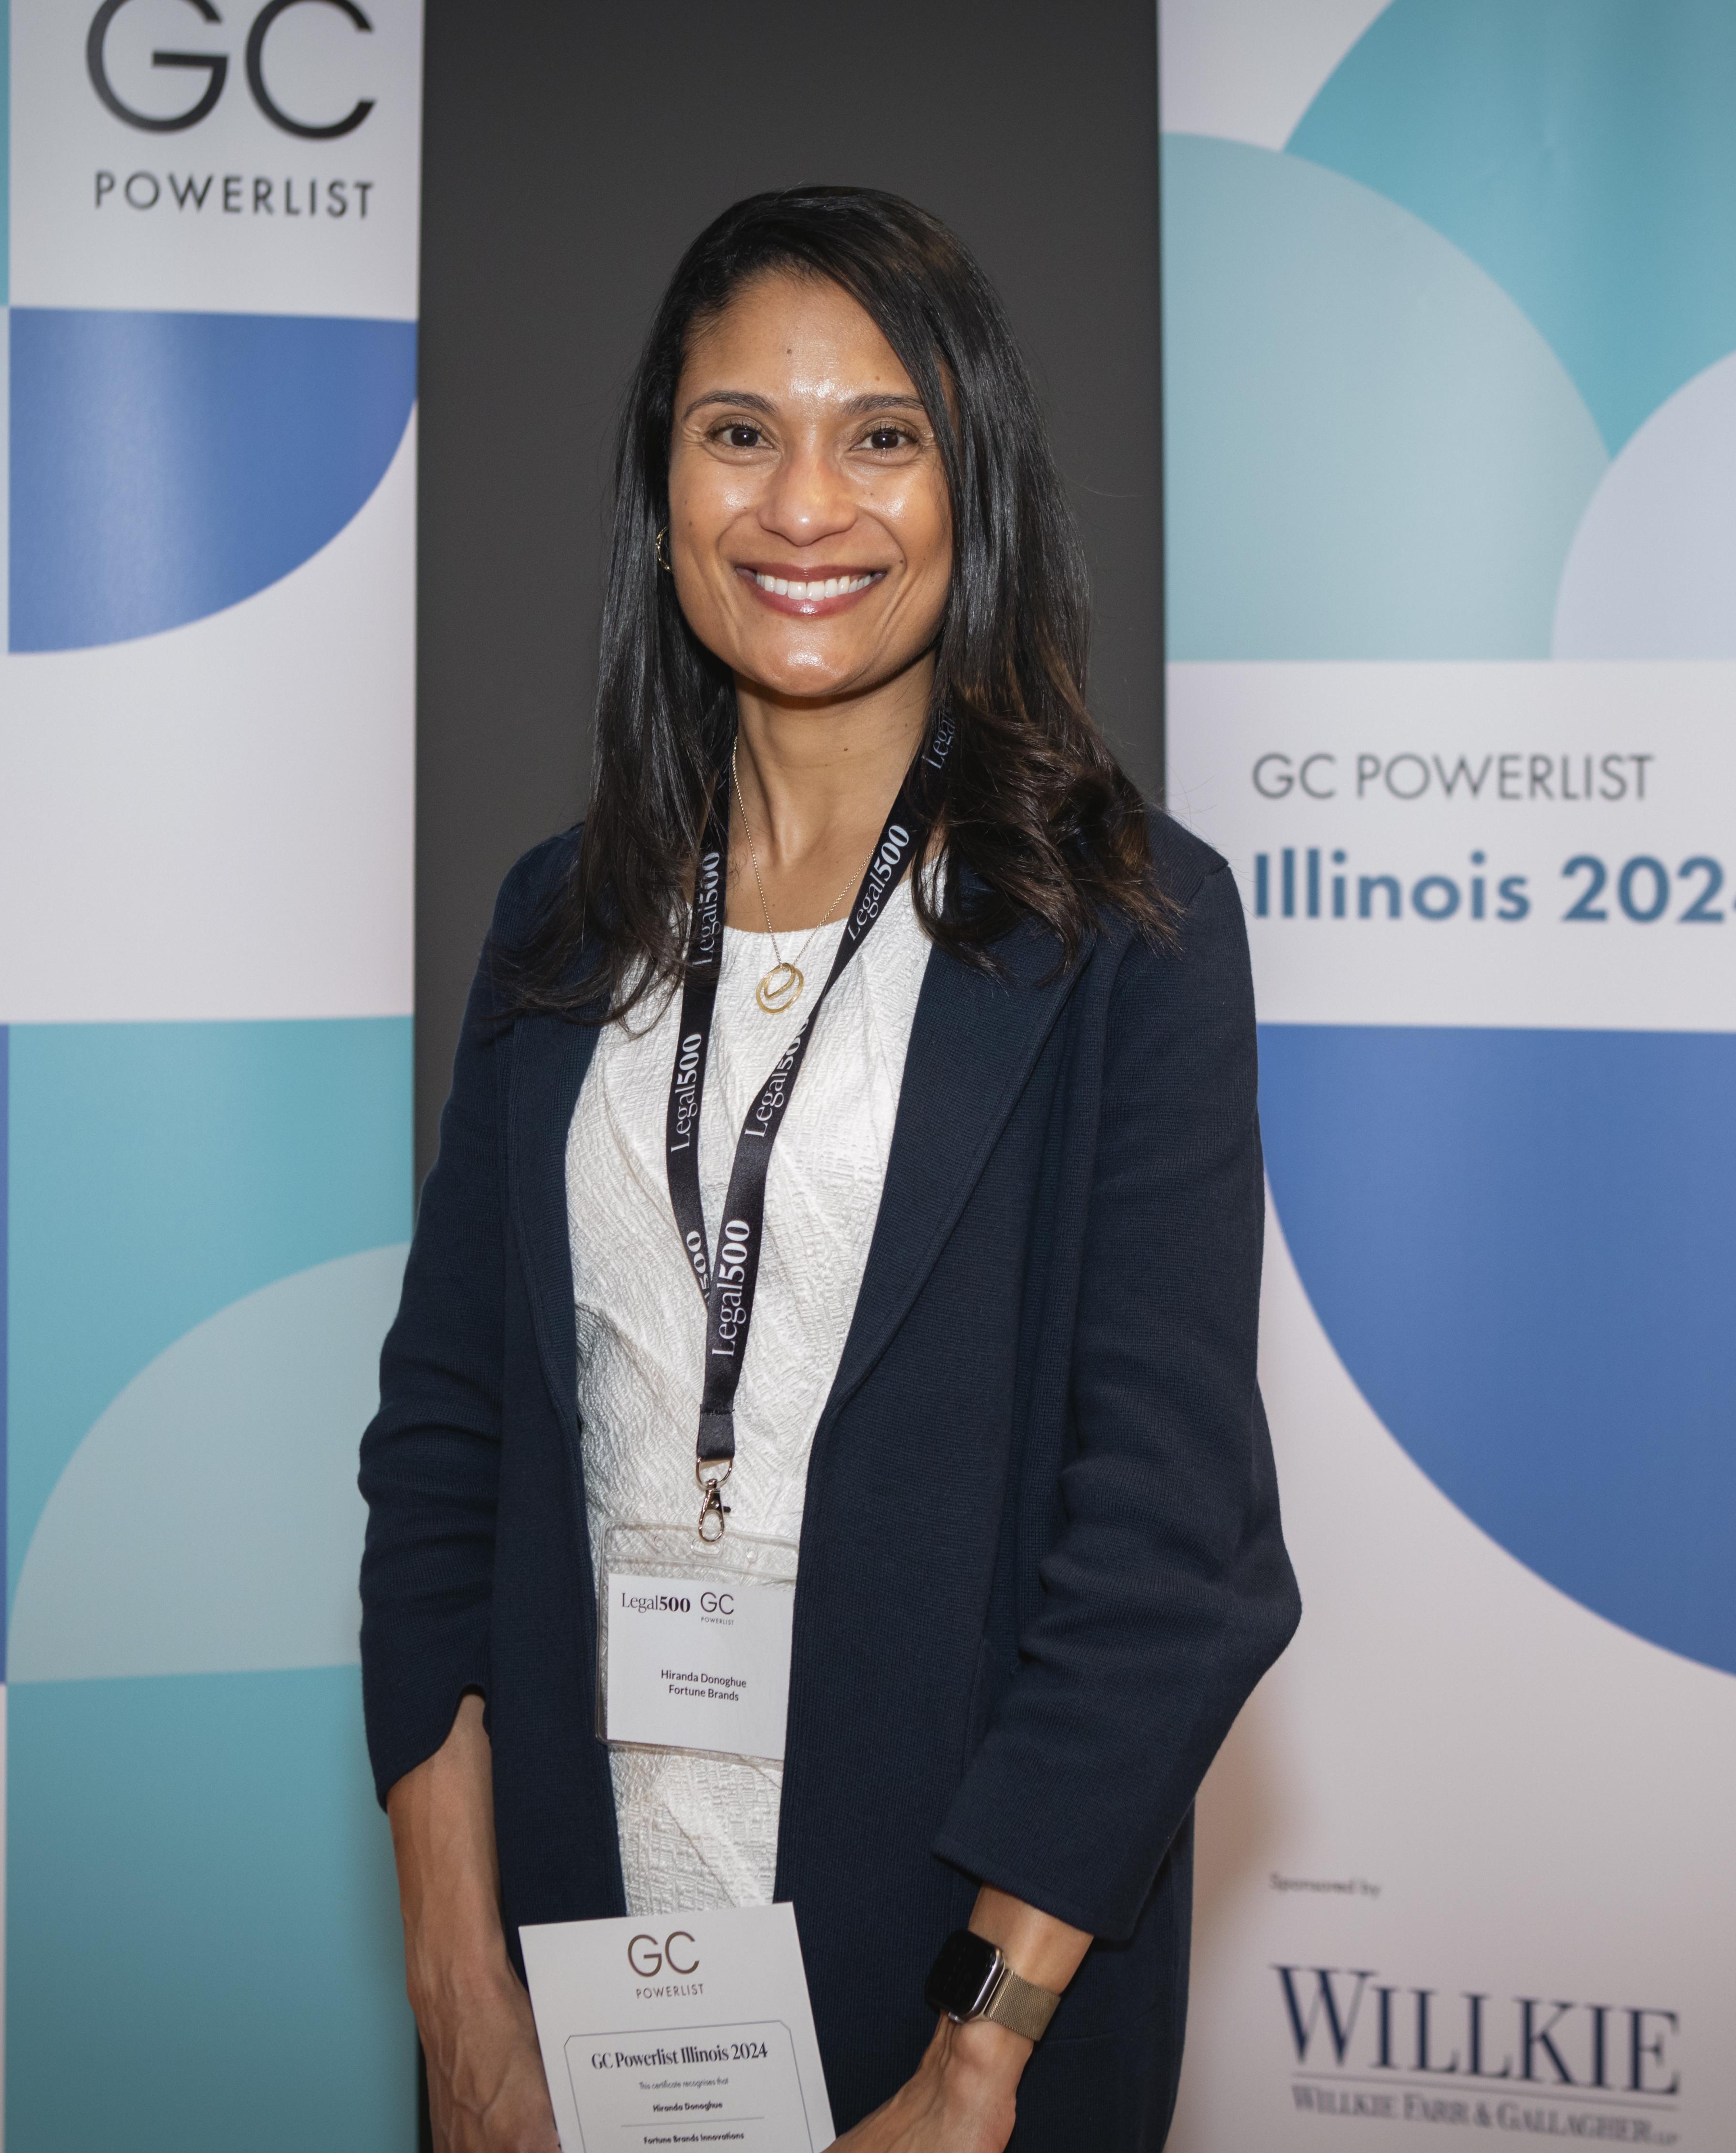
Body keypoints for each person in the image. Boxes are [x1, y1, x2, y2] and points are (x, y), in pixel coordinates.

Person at [359, 185, 1299, 2153]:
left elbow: (1168, 1554)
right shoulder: (560, 925)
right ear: (663, 487)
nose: (806, 506)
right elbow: (446, 1454)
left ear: (975, 488)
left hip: (951, 2014)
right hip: (568, 1993)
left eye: (883, 435)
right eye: (740, 433)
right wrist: (456, 1989)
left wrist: (976, 2058)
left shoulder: (1128, 927)